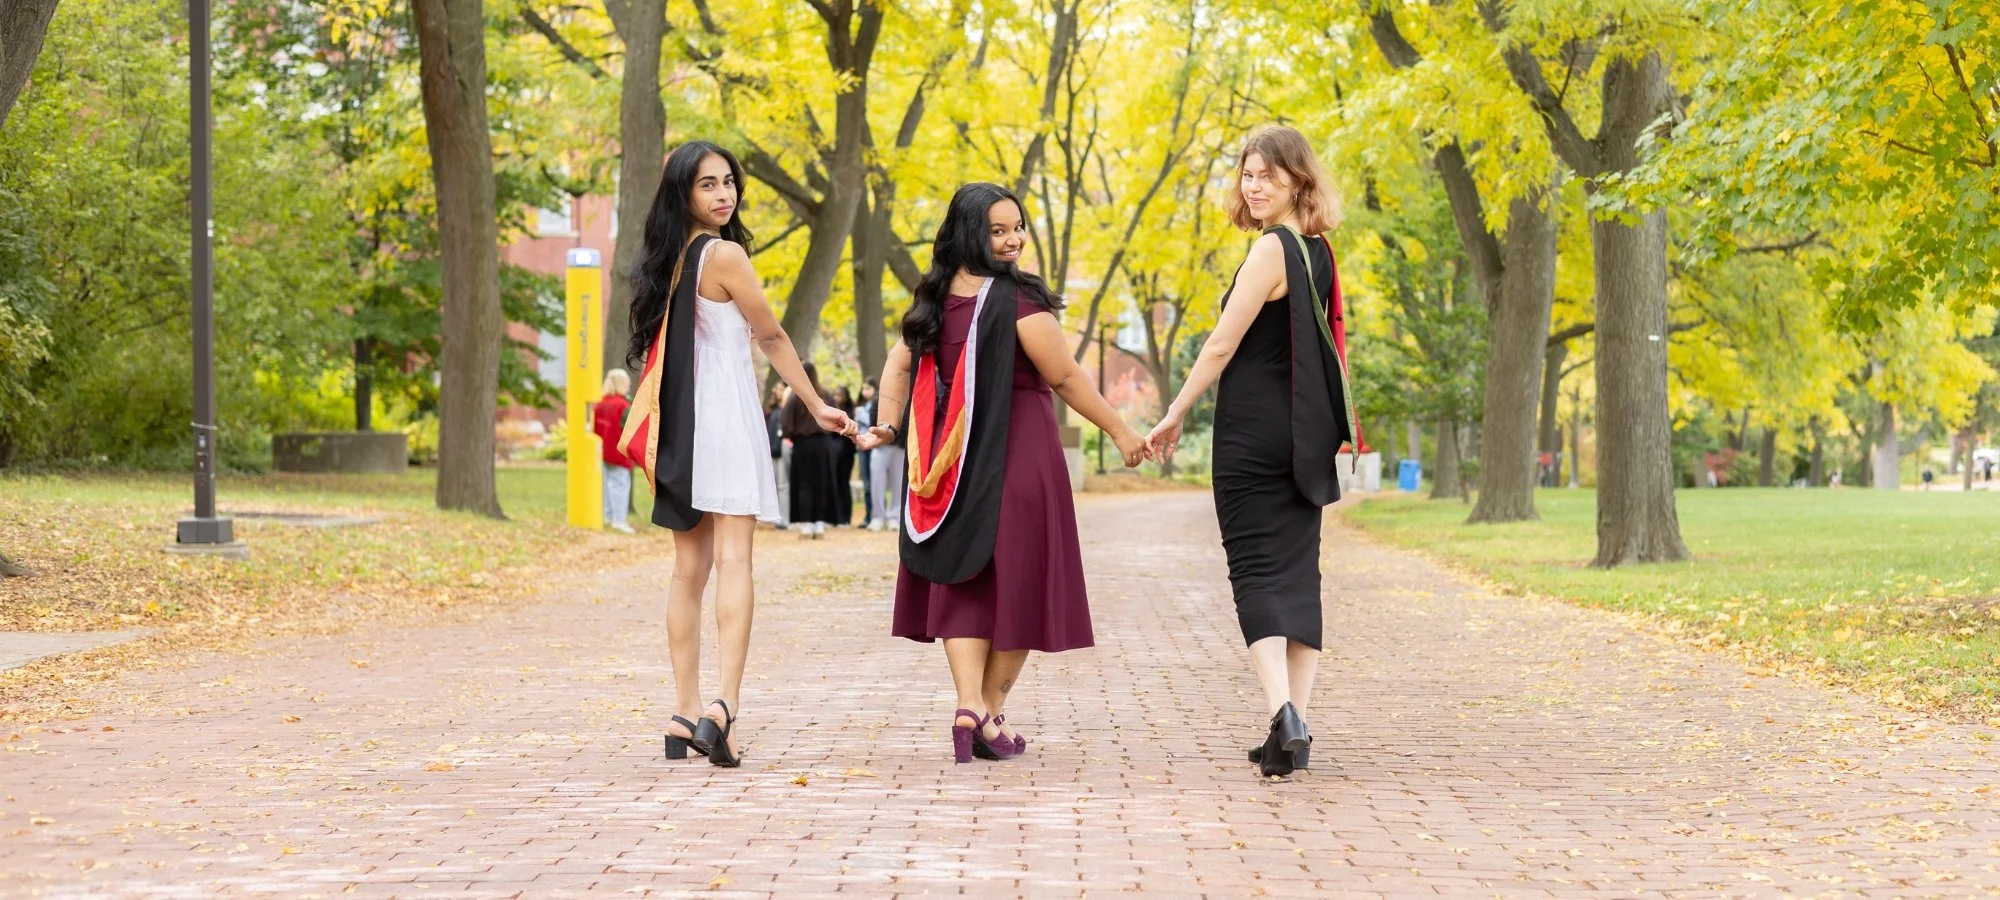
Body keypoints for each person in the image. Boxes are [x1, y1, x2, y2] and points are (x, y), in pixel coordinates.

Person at [857, 182, 1149, 764]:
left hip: (955, 459)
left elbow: (896, 367)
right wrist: (1120, 430)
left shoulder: (932, 302)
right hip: (1020, 456)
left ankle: (970, 707)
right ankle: (987, 710)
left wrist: (889, 428)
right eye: (998, 230)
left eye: (1017, 226)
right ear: (970, 233)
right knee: (1024, 583)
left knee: (966, 579)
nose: (1013, 239)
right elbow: (1065, 377)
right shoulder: (1017, 300)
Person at [617, 140, 855, 769]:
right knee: (736, 561)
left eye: (729, 183)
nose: (724, 195)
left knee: (686, 572)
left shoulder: (663, 262)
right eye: (708, 186)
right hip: (722, 419)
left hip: (681, 425)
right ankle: (722, 708)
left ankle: (681, 710)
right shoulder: (724, 255)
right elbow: (772, 336)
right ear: (683, 194)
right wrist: (818, 402)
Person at [1146, 126, 1355, 779]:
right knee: (1299, 576)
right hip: (1305, 433)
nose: (1254, 185)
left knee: (1256, 573)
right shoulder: (1320, 252)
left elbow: (1219, 345)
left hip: (1254, 432)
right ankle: (1293, 726)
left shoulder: (1272, 251)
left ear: (1298, 179)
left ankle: (1282, 713)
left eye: (1268, 174)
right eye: (1247, 174)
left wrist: (1174, 413)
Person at [782, 363, 845, 538]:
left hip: (803, 446)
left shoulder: (795, 397)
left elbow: (785, 422)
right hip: (824, 445)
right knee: (822, 483)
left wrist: (792, 434)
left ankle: (807, 525)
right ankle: (819, 524)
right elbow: (838, 417)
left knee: (804, 485)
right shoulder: (825, 396)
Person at [592, 368, 636, 534]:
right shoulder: (623, 406)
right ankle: (619, 520)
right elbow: (629, 429)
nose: (629, 385)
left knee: (607, 484)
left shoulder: (600, 404)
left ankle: (608, 515)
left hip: (603, 451)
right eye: (626, 383)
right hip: (619, 452)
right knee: (620, 485)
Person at [855, 379, 879, 527]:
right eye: (863, 388)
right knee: (867, 483)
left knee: (876, 482)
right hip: (862, 447)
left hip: (874, 446)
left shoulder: (877, 404)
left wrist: (861, 415)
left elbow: (873, 422)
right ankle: (869, 515)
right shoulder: (861, 407)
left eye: (868, 388)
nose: (865, 391)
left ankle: (878, 514)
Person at [766, 384, 791, 527]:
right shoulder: (774, 411)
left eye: (782, 390)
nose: (777, 392)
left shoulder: (786, 411)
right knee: (774, 485)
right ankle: (776, 515)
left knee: (783, 486)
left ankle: (785, 518)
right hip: (772, 451)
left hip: (782, 452)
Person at [834, 385, 858, 525]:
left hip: (846, 454)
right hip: (835, 453)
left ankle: (845, 517)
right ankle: (836, 516)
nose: (837, 397)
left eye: (840, 395)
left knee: (844, 484)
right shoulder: (833, 413)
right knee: (835, 484)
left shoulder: (850, 413)